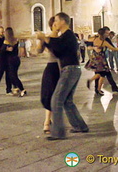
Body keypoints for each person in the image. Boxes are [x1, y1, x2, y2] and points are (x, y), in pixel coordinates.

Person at [37, 12, 89, 140]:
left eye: (56, 20)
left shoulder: (68, 35)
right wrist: (45, 39)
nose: (54, 23)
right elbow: (57, 49)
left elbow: (58, 47)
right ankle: (80, 126)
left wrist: (45, 38)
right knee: (67, 101)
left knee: (56, 99)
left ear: (62, 21)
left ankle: (58, 132)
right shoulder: (66, 36)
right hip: (72, 69)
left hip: (70, 70)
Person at [37, 16, 60, 134]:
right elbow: (38, 51)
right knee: (48, 94)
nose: (57, 26)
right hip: (51, 67)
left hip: (63, 68)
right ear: (52, 25)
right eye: (55, 24)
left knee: (60, 96)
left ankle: (55, 121)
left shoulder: (63, 38)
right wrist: (41, 41)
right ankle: (47, 121)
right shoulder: (48, 38)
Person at [85, 28, 118, 95]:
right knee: (103, 74)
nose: (108, 34)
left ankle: (98, 89)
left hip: (95, 58)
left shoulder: (95, 39)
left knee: (101, 74)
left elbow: (88, 46)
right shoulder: (104, 41)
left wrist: (93, 48)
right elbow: (113, 48)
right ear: (103, 33)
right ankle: (94, 85)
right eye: (107, 33)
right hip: (101, 60)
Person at [2, 27, 27, 97]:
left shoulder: (6, 42)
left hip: (11, 61)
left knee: (13, 76)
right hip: (16, 60)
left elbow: (2, 50)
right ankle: (16, 88)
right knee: (13, 75)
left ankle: (22, 89)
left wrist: (4, 49)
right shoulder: (15, 40)